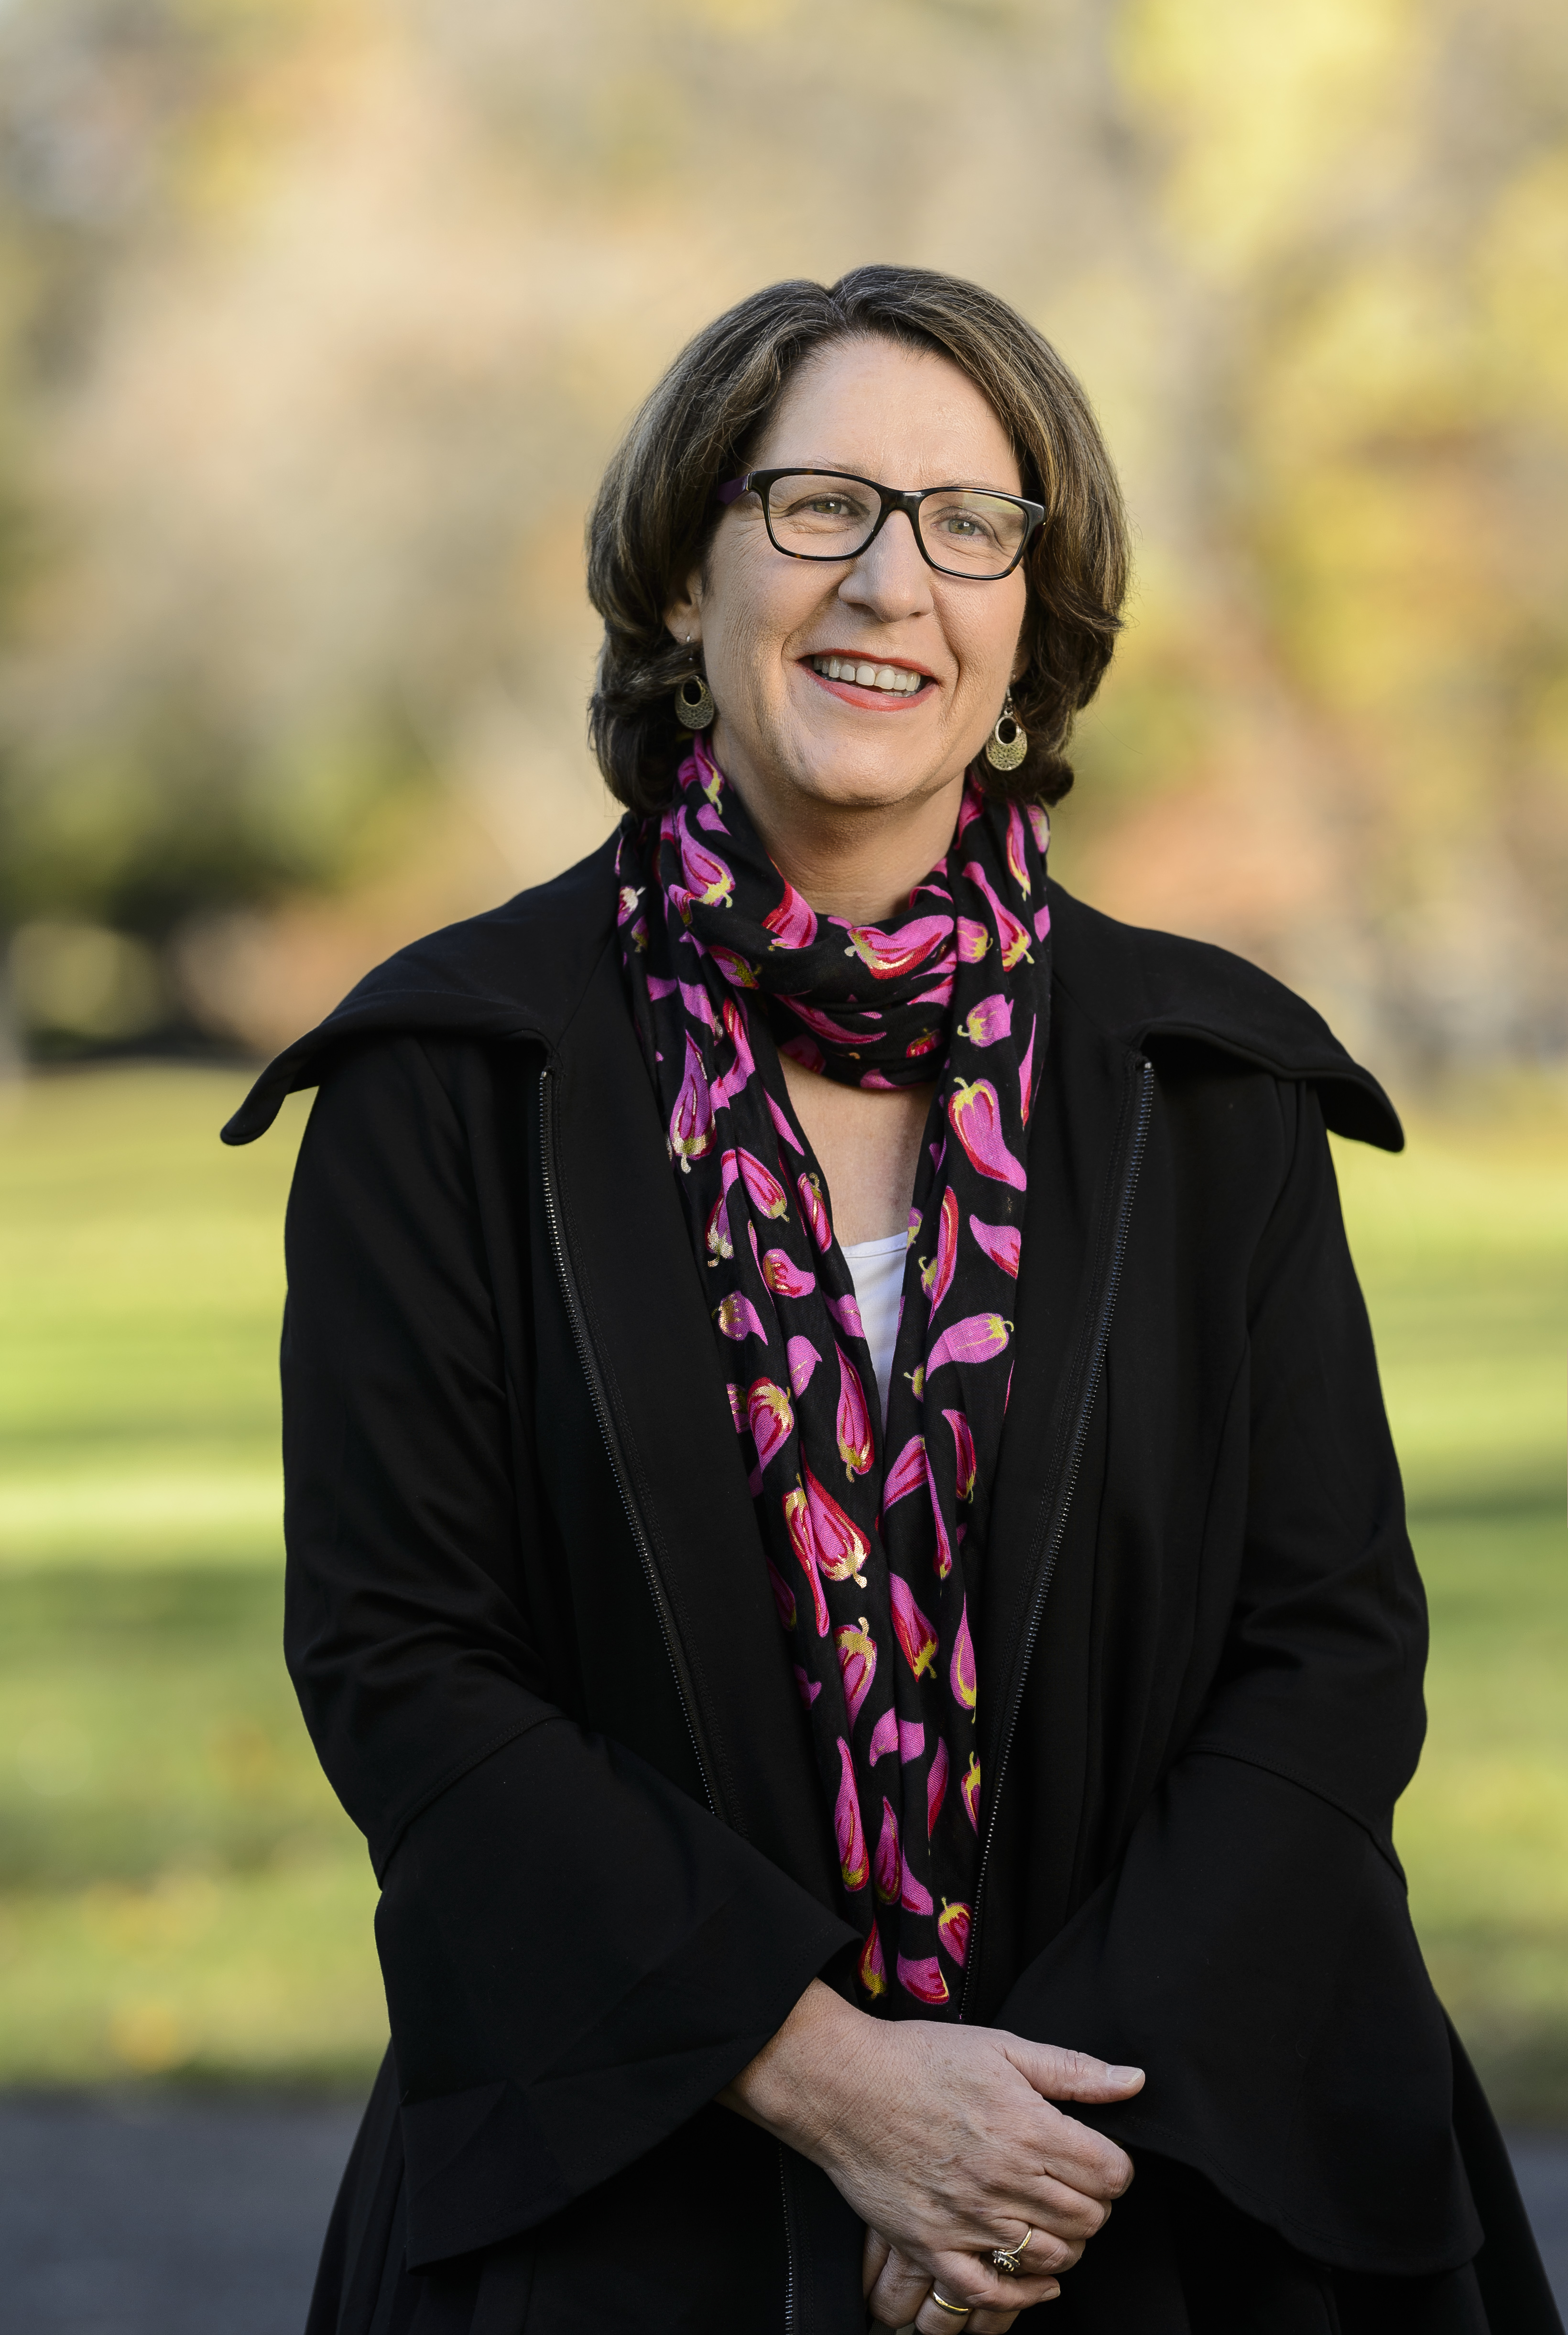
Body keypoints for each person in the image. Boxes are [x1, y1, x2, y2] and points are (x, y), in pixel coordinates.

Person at [225, 266, 1561, 2335]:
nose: (890, 584)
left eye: (969, 522)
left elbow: (1327, 1652)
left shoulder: (1207, 1080)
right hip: (631, 2198)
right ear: (685, 573)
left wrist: (1015, 2147)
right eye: (818, 505)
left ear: (1035, 612)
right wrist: (840, 2086)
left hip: (1181, 2180)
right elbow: (408, 1666)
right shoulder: (452, 1075)